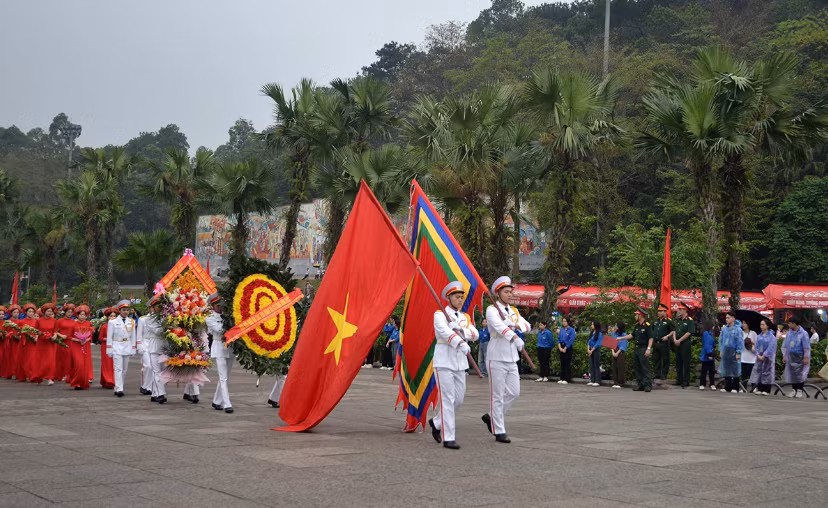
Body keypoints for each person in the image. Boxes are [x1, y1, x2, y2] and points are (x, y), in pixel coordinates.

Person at [428, 281, 479, 450]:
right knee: (448, 399)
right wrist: (459, 341)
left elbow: (475, 333)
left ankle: (436, 423)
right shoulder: (440, 314)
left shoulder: (464, 317)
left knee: (458, 399)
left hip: (459, 362)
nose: (460, 300)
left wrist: (461, 330)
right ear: (448, 298)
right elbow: (443, 331)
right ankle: (448, 437)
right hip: (444, 360)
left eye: (461, 297)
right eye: (457, 297)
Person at [481, 276, 530, 444]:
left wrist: (516, 325)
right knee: (498, 395)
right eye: (506, 292)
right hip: (496, 356)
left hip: (511, 357)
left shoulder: (513, 311)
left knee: (514, 392)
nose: (509, 295)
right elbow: (500, 328)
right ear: (498, 293)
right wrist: (514, 336)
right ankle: (499, 430)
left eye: (511, 291)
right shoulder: (492, 310)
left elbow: (527, 325)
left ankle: (491, 416)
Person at [207, 293, 233, 413]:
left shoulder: (227, 315)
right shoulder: (209, 317)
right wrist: (230, 321)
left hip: (229, 348)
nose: (219, 307)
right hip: (218, 347)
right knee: (223, 378)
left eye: (221, 305)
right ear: (212, 305)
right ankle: (227, 403)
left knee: (226, 377)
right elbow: (220, 330)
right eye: (217, 305)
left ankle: (217, 401)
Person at [106, 300, 138, 397]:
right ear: (119, 311)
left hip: (127, 345)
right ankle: (119, 388)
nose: (126, 312)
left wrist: (133, 348)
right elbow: (109, 336)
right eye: (124, 310)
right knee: (118, 369)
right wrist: (109, 349)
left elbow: (133, 336)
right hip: (116, 345)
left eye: (127, 310)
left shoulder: (131, 322)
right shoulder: (112, 322)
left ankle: (119, 386)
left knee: (124, 369)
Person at [781, 317, 810, 398]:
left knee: (800, 374)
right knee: (792, 373)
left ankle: (800, 390)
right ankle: (794, 390)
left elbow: (806, 346)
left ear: (794, 323)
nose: (788, 325)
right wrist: (785, 355)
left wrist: (806, 357)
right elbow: (785, 345)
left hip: (800, 356)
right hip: (791, 356)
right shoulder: (789, 333)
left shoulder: (803, 333)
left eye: (790, 323)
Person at [68, 305, 94, 390]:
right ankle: (76, 382)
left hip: (85, 346)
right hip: (76, 346)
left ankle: (83, 383)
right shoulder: (73, 324)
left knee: (85, 365)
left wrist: (86, 340)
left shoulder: (88, 324)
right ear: (77, 315)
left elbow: (91, 336)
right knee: (79, 364)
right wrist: (78, 340)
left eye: (84, 315)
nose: (83, 316)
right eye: (81, 314)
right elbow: (69, 337)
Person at [32, 303, 59, 385]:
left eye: (51, 311)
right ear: (44, 311)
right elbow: (35, 330)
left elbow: (56, 331)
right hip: (41, 343)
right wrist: (37, 336)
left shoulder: (54, 321)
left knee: (50, 361)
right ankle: (39, 376)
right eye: (48, 311)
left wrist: (54, 336)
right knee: (40, 360)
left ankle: (50, 378)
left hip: (50, 343)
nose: (49, 313)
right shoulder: (39, 320)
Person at [719, 311, 744, 393]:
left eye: (728, 318)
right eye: (726, 318)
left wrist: (738, 352)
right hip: (726, 352)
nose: (727, 319)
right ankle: (727, 386)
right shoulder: (724, 329)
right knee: (726, 369)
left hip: (734, 351)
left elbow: (739, 341)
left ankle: (735, 387)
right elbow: (721, 340)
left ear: (733, 318)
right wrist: (721, 350)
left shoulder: (738, 329)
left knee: (735, 369)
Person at [750, 318, 777, 395]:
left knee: (767, 372)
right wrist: (758, 354)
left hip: (768, 358)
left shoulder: (772, 337)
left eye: (763, 324)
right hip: (759, 357)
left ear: (767, 326)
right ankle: (760, 388)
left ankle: (767, 389)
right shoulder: (759, 336)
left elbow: (771, 347)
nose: (761, 326)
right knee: (759, 372)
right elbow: (757, 346)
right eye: (761, 324)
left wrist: (765, 355)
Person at [673, 303, 695, 388]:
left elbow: (689, 332)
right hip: (677, 342)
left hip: (685, 343)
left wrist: (679, 340)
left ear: (685, 310)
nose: (679, 311)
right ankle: (679, 379)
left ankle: (686, 380)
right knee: (678, 361)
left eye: (681, 309)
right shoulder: (678, 320)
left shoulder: (689, 320)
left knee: (685, 362)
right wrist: (675, 339)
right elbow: (674, 330)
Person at [651, 303, 674, 383]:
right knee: (656, 359)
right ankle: (656, 373)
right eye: (659, 311)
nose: (659, 313)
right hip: (656, 342)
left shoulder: (668, 321)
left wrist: (667, 336)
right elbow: (652, 330)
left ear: (665, 312)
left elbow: (673, 331)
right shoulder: (655, 321)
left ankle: (664, 374)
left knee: (665, 359)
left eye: (661, 311)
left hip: (664, 342)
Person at [631, 308, 653, 392]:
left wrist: (648, 349)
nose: (635, 316)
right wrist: (621, 338)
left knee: (645, 367)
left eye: (636, 314)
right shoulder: (637, 326)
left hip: (643, 348)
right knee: (637, 367)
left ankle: (647, 385)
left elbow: (651, 338)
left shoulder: (647, 326)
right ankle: (640, 384)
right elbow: (632, 335)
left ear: (640, 315)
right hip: (637, 348)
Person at [18, 303, 39, 382]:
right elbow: (19, 332)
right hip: (24, 342)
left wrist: (35, 338)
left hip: (33, 343)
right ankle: (23, 375)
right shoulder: (21, 322)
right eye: (30, 311)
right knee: (23, 359)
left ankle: (32, 375)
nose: (31, 313)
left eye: (32, 312)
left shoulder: (36, 322)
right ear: (26, 312)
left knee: (32, 359)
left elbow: (38, 331)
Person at [54, 304, 75, 382]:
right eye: (68, 312)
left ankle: (68, 375)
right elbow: (55, 331)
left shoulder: (74, 322)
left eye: (71, 312)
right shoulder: (59, 321)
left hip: (70, 341)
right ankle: (60, 374)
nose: (70, 314)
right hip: (61, 341)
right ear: (65, 312)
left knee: (69, 359)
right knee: (60, 358)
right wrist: (61, 335)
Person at [98, 308, 116, 389]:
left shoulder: (117, 326)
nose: (112, 317)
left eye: (114, 316)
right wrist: (109, 338)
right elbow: (100, 338)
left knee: (113, 364)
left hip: (115, 346)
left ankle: (110, 379)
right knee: (106, 363)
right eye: (111, 316)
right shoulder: (104, 326)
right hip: (105, 346)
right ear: (107, 317)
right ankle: (108, 380)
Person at [556, 317, 575, 384]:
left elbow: (571, 340)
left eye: (565, 321)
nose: (564, 322)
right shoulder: (561, 329)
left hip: (567, 347)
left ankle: (567, 378)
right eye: (563, 321)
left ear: (568, 322)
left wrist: (565, 348)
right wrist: (560, 348)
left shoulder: (571, 330)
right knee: (562, 363)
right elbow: (558, 339)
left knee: (567, 363)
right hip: (561, 346)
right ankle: (562, 378)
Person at [611, 323, 630, 389]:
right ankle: (615, 382)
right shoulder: (614, 334)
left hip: (620, 352)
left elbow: (623, 345)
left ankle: (620, 383)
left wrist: (617, 353)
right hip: (614, 350)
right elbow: (612, 343)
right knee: (614, 367)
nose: (615, 327)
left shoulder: (624, 335)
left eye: (616, 326)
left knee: (620, 367)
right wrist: (613, 352)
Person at [699, 320, 716, 390]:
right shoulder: (706, 334)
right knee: (705, 370)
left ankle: (712, 384)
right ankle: (703, 384)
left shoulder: (710, 334)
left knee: (711, 370)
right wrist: (710, 354)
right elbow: (707, 345)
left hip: (710, 353)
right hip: (707, 355)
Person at [741, 320, 757, 392]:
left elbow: (758, 344)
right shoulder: (740, 333)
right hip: (743, 357)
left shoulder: (753, 333)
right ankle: (743, 388)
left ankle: (754, 387)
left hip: (752, 358)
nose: (743, 325)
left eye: (745, 323)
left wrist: (752, 343)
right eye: (742, 323)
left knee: (752, 374)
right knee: (743, 374)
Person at [586, 321, 603, 386]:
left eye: (592, 324)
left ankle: (597, 380)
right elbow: (589, 341)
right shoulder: (592, 333)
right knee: (591, 365)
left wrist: (592, 350)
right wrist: (588, 349)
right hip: (590, 349)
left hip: (595, 350)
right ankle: (592, 379)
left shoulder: (599, 333)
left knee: (596, 364)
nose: (591, 325)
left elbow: (598, 343)